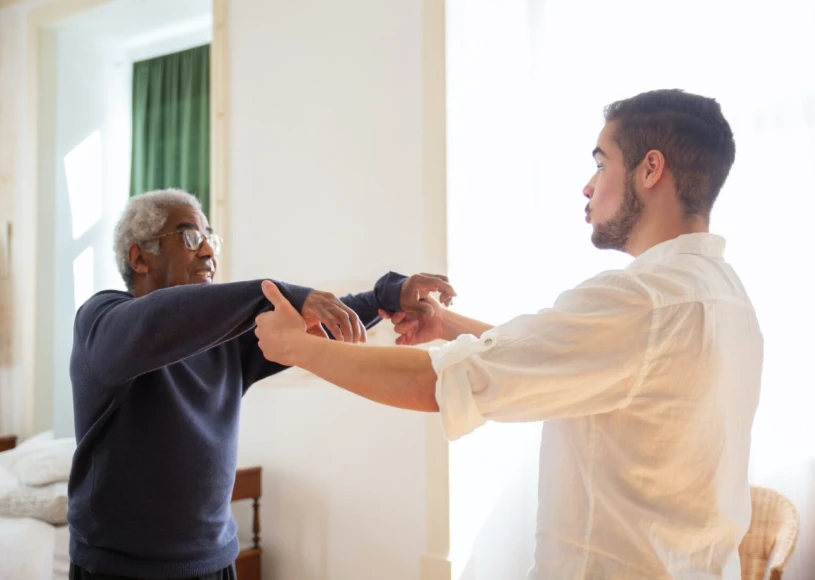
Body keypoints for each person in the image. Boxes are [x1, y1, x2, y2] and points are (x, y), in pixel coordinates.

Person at [253, 89, 763, 579]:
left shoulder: (640, 302)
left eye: (601, 163)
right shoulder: (726, 295)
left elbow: (437, 384)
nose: (588, 186)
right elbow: (563, 356)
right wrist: (446, 324)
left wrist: (296, 346)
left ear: (650, 169)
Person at [67, 188, 456, 580]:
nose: (208, 251)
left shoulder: (222, 339)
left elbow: (312, 325)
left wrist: (384, 297)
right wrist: (277, 294)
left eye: (210, 238)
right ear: (139, 258)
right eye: (190, 237)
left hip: (214, 561)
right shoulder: (101, 321)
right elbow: (158, 320)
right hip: (118, 570)